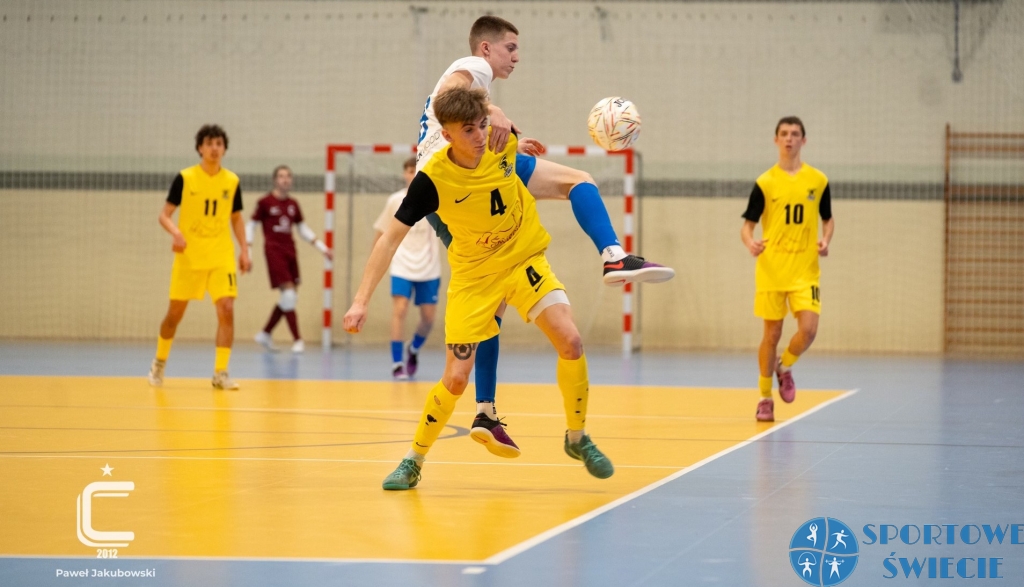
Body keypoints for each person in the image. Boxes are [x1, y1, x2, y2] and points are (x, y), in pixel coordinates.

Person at [416, 15, 675, 457]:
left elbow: (461, 114)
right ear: (486, 49)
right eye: (510, 48)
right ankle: (612, 255)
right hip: (458, 181)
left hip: (465, 183)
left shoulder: (475, 108)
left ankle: (485, 410)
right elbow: (452, 93)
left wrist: (510, 134)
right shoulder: (470, 69)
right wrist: (495, 112)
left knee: (493, 294)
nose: (516, 57)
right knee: (578, 180)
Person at [344, 87, 614, 489]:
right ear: (447, 135)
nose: (479, 136)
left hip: (524, 261)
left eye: (483, 126)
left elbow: (528, 164)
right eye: (468, 130)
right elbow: (388, 239)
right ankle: (413, 459)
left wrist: (516, 135)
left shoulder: (500, 144)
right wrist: (360, 300)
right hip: (474, 278)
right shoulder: (431, 180)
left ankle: (577, 437)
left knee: (571, 341)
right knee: (455, 379)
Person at [740, 116, 834, 422]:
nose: (789, 139)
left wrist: (826, 239)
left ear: (804, 141)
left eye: (795, 134)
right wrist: (750, 242)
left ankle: (785, 365)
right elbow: (747, 226)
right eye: (784, 134)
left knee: (808, 330)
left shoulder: (818, 181)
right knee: (772, 333)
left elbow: (828, 218)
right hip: (772, 270)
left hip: (806, 270)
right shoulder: (765, 183)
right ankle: (765, 397)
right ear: (776, 140)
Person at [148, 124, 251, 390]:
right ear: (200, 148)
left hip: (220, 256)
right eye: (209, 143)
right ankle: (158, 364)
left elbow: (236, 218)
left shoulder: (232, 181)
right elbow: (164, 214)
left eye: (219, 143)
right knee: (174, 315)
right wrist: (176, 233)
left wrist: (245, 250)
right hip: (189, 257)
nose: (214, 148)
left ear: (224, 148)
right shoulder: (185, 178)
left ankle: (221, 373)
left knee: (227, 309)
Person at [248, 165, 333, 353]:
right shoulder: (265, 202)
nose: (285, 179)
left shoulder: (293, 204)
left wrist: (323, 248)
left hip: (290, 252)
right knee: (288, 294)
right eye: (281, 176)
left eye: (288, 176)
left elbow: (302, 229)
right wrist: (248, 250)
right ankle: (298, 340)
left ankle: (265, 333)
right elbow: (251, 225)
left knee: (290, 297)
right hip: (273, 251)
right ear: (274, 180)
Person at [372, 157, 442, 379]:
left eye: (416, 170)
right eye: (409, 171)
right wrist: (376, 266)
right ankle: (397, 363)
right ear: (404, 174)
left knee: (429, 319)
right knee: (399, 310)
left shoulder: (436, 197)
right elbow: (381, 233)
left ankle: (413, 349)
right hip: (402, 265)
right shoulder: (395, 200)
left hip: (429, 268)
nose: (413, 175)